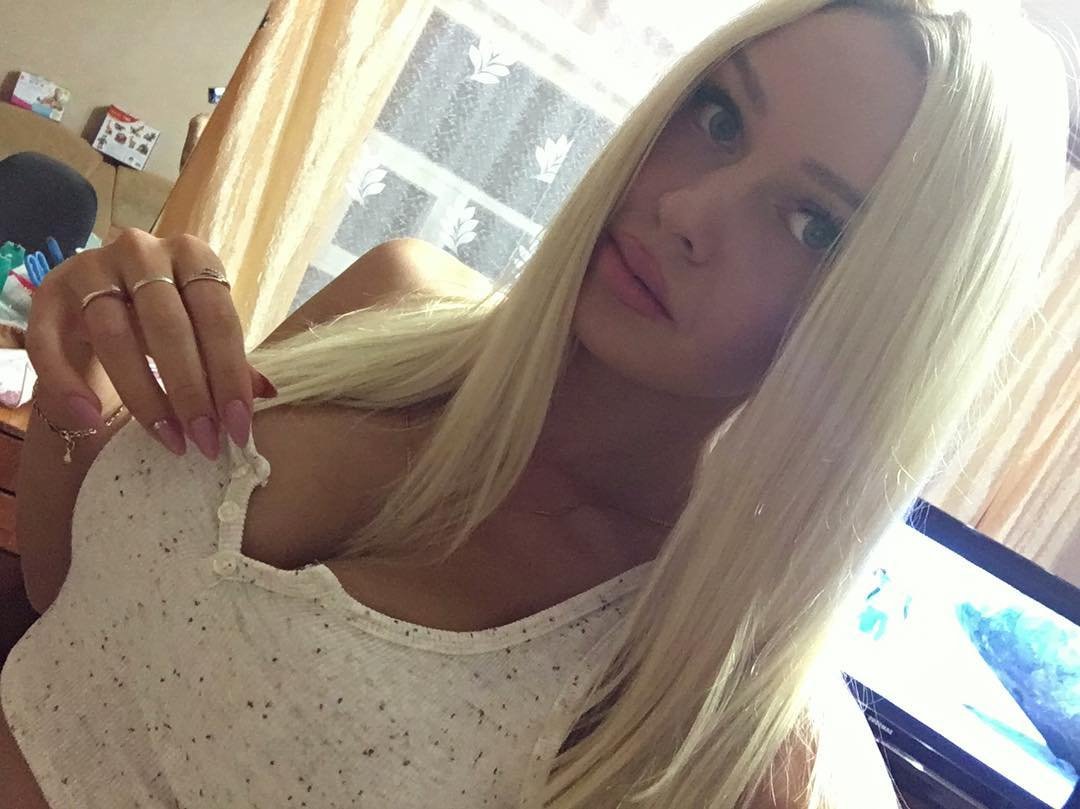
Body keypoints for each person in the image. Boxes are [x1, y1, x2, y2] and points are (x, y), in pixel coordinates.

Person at [1, 0, 1072, 806]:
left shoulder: (705, 720)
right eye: (718, 118)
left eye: (813, 225)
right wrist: (73, 388)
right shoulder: (391, 297)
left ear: (885, 330)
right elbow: (67, 604)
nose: (688, 207)